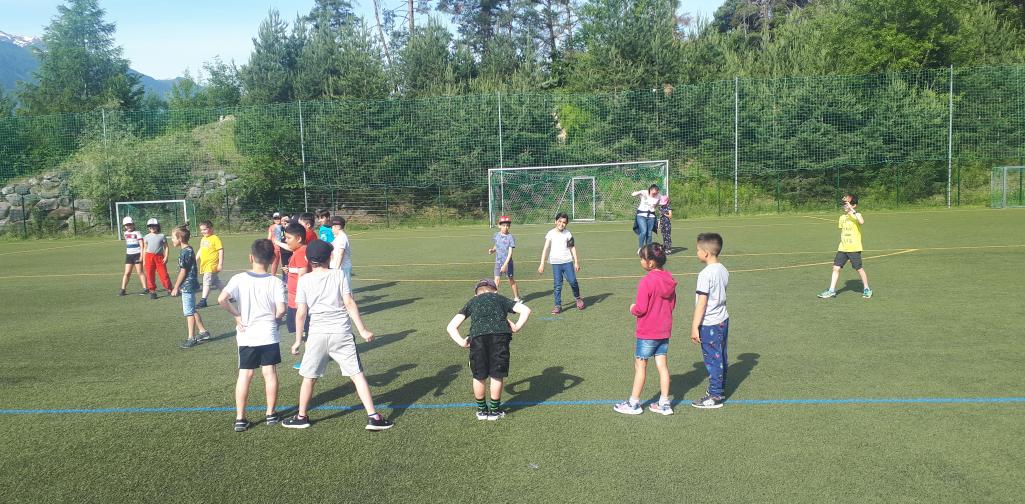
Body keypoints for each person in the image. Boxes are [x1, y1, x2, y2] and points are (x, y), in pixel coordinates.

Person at [283, 240, 394, 431]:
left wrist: (297, 340)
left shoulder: (305, 280)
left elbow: (301, 312)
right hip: (341, 332)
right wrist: (362, 330)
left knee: (309, 377)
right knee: (357, 375)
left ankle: (302, 416)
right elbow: (349, 303)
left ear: (309, 260)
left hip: (317, 334)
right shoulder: (338, 275)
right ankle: (373, 417)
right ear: (329, 257)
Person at [218, 239, 287, 432]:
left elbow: (222, 299)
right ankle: (271, 414)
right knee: (269, 373)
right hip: (268, 334)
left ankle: (240, 418)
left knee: (245, 374)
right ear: (273, 259)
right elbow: (281, 309)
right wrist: (277, 319)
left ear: (250, 258)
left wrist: (237, 315)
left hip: (247, 335)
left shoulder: (239, 278)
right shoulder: (275, 281)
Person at [446, 279, 531, 420]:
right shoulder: (500, 298)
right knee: (496, 375)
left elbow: (451, 327)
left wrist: (462, 342)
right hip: (500, 337)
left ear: (476, 294)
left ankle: (481, 411)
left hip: (477, 338)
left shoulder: (472, 302)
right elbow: (525, 310)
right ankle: (495, 411)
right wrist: (516, 326)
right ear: (495, 291)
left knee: (479, 376)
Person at [614, 244, 677, 416]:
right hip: (664, 331)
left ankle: (634, 403)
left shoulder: (647, 281)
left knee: (640, 366)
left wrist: (632, 308)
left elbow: (641, 308)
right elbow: (672, 304)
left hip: (648, 331)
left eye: (642, 258)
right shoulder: (669, 279)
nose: (641, 261)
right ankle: (664, 403)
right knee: (662, 366)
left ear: (650, 263)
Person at [690, 232, 729, 409]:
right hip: (723, 319)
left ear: (706, 252)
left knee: (713, 359)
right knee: (721, 355)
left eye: (698, 249)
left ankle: (715, 395)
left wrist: (694, 326)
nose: (696, 252)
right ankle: (719, 387)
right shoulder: (723, 269)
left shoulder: (705, 274)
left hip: (710, 322)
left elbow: (702, 303)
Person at [818, 194, 873, 299]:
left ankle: (867, 289)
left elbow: (861, 221)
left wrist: (852, 209)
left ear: (854, 205)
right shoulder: (842, 217)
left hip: (854, 248)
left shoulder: (857, 215)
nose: (845, 206)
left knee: (859, 268)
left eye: (847, 204)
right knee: (836, 268)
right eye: (844, 204)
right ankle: (831, 290)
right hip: (843, 248)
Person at [171, 226, 211, 348]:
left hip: (187, 285)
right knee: (192, 310)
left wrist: (176, 287)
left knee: (189, 312)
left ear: (180, 238)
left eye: (173, 237)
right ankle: (203, 332)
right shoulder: (189, 249)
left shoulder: (185, 252)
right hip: (190, 284)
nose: (172, 240)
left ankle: (191, 338)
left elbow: (183, 272)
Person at [537, 212, 584, 315]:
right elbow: (545, 249)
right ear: (555, 221)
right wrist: (542, 264)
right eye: (560, 221)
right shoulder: (550, 233)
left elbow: (572, 247)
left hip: (567, 262)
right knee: (558, 285)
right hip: (556, 263)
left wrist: (576, 262)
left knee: (572, 281)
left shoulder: (568, 233)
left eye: (564, 222)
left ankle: (578, 298)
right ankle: (557, 305)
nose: (561, 224)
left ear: (566, 224)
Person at [283, 222, 311, 370]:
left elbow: (303, 275)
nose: (286, 241)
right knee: (305, 330)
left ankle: (310, 360)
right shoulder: (299, 252)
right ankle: (311, 358)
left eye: (288, 238)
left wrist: (301, 299)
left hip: (299, 301)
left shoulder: (300, 252)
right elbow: (299, 271)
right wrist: (290, 271)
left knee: (306, 331)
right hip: (295, 300)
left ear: (298, 238)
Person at [488, 215, 520, 302]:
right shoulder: (496, 235)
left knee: (511, 280)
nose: (505, 227)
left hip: (508, 263)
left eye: (507, 225)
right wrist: (493, 250)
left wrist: (505, 265)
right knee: (496, 280)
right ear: (499, 226)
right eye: (503, 225)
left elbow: (510, 253)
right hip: (498, 262)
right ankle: (494, 298)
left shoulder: (510, 237)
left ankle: (517, 297)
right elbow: (496, 245)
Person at [142, 218, 172, 299]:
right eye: (150, 226)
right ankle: (152, 291)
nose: (152, 228)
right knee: (149, 274)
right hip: (149, 257)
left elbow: (166, 247)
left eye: (154, 226)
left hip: (159, 257)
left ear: (158, 226)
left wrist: (166, 256)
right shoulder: (146, 236)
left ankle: (169, 289)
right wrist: (144, 260)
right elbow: (145, 248)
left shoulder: (162, 236)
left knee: (164, 274)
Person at [196, 220, 223, 308]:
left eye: (205, 229)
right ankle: (229, 296)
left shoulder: (215, 238)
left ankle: (203, 301)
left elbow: (220, 251)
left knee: (206, 282)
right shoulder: (203, 239)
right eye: (201, 230)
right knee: (216, 281)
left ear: (211, 229)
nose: (203, 232)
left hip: (212, 265)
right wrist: (195, 259)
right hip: (205, 264)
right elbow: (201, 250)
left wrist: (220, 264)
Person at [119, 216, 148, 296]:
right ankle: (123, 289)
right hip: (129, 255)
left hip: (137, 254)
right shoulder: (125, 233)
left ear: (133, 224)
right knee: (127, 272)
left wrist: (141, 256)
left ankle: (146, 288)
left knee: (140, 272)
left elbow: (142, 246)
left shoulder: (137, 233)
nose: (128, 226)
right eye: (126, 225)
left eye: (130, 224)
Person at [631, 184, 661, 250]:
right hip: (641, 215)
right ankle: (641, 248)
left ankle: (648, 249)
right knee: (644, 231)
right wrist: (638, 193)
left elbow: (657, 204)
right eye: (653, 193)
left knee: (649, 233)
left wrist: (654, 206)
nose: (654, 194)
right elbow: (633, 194)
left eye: (656, 193)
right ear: (650, 190)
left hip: (651, 216)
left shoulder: (658, 196)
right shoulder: (644, 192)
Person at [329, 216, 352, 283]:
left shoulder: (342, 237)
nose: (331, 229)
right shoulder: (338, 237)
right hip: (339, 267)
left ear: (338, 227)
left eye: (332, 227)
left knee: (345, 290)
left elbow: (341, 253)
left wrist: (336, 269)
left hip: (342, 268)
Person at [266, 212, 285, 278]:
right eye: (275, 218)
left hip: (283, 248)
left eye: (278, 218)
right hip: (275, 248)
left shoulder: (284, 226)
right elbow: (269, 237)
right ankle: (272, 277)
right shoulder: (272, 227)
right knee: (274, 263)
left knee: (284, 264)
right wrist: (267, 245)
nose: (277, 220)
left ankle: (285, 278)